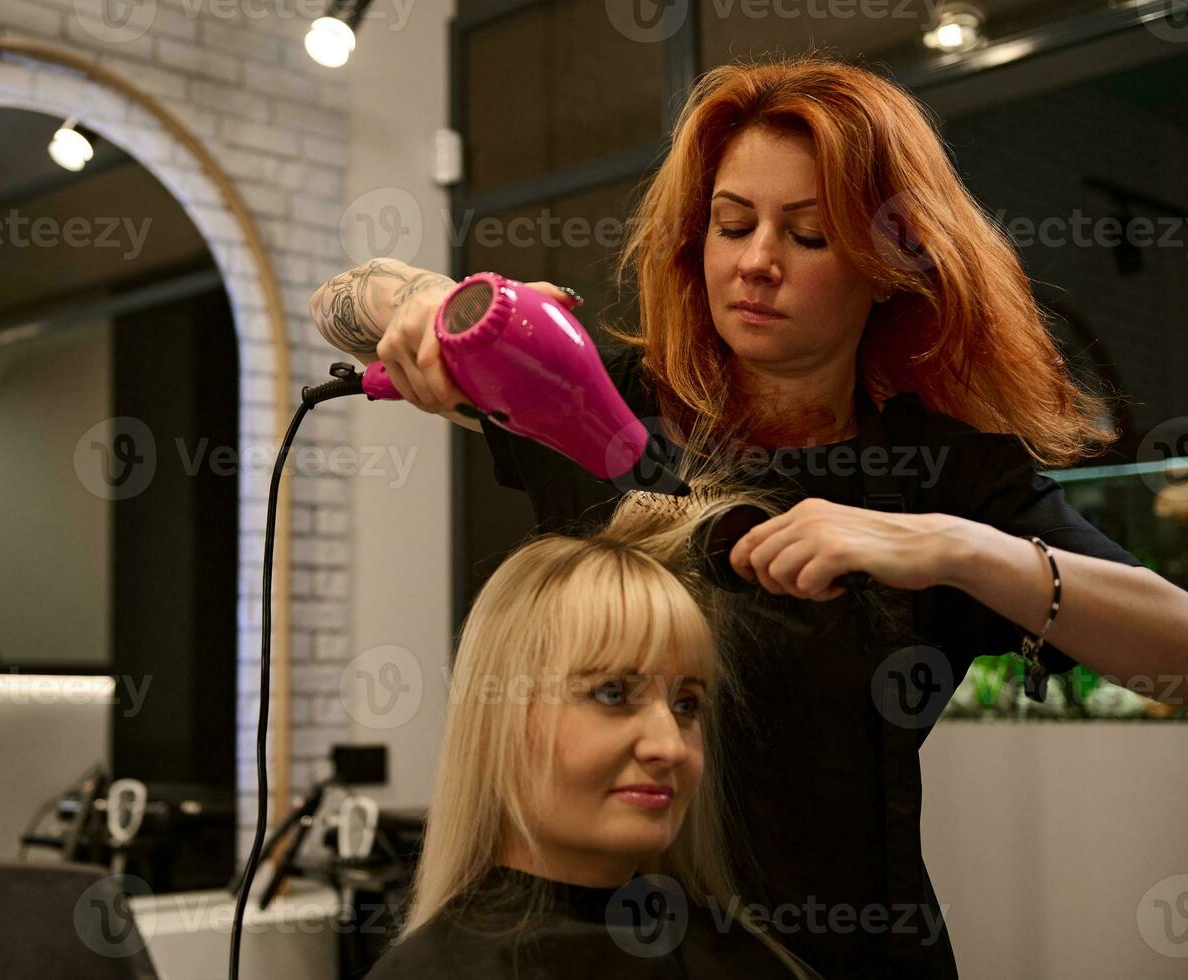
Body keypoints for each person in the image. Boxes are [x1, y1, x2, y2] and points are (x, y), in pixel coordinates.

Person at [314, 53, 1188, 978]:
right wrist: (420, 302)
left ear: (888, 262)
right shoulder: (593, 403)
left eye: (807, 236)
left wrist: (954, 549)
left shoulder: (945, 476)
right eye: (731, 225)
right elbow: (342, 304)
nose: (755, 262)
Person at [365, 471, 818, 979]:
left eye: (686, 705)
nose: (669, 747)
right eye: (612, 693)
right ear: (500, 722)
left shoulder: (746, 961)